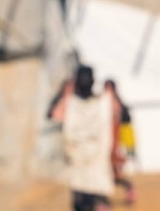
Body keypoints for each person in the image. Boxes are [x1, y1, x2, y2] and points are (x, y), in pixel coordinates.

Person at [49, 66, 120, 211]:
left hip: (84, 167)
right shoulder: (102, 104)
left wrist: (63, 93)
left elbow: (51, 114)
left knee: (84, 202)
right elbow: (122, 116)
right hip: (89, 167)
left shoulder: (71, 104)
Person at [104, 79, 136, 205]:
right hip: (104, 144)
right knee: (104, 173)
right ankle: (103, 201)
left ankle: (129, 188)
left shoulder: (118, 105)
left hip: (115, 144)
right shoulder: (101, 103)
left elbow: (125, 124)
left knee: (116, 173)